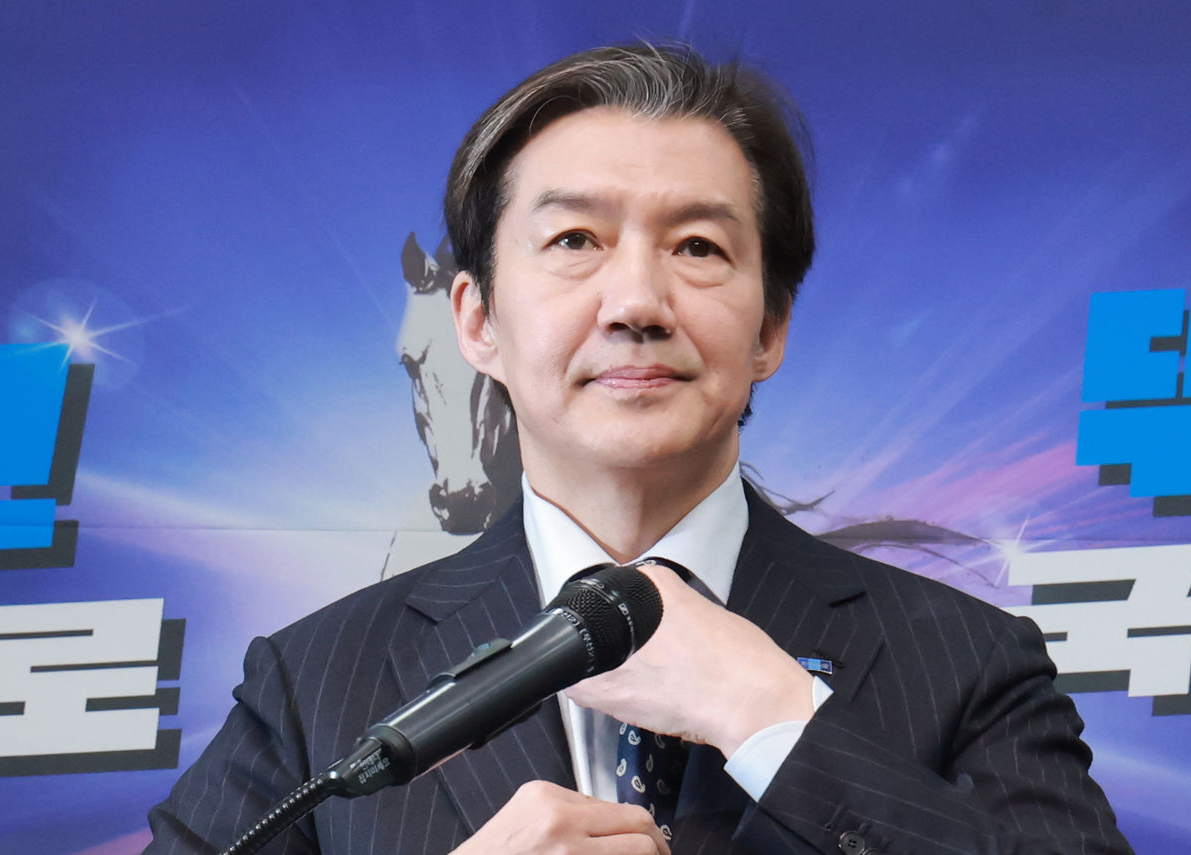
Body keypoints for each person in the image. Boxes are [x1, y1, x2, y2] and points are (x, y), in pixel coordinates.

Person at [145, 45, 1133, 855]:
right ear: (477, 320)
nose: (635, 304)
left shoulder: (966, 661)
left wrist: (773, 715)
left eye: (698, 247)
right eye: (574, 240)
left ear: (770, 328)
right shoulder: (317, 684)